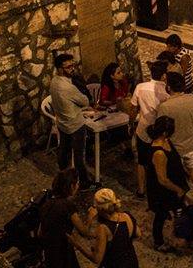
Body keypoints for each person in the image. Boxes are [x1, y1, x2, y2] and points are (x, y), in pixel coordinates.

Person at [156, 72, 193, 207]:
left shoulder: (165, 106)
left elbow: (161, 126)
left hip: (174, 147)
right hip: (190, 143)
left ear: (169, 87)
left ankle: (184, 202)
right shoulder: (192, 99)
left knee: (176, 177)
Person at [145, 116, 193, 252]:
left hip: (173, 186)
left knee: (182, 210)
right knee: (161, 215)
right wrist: (178, 189)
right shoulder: (158, 153)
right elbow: (162, 179)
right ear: (165, 132)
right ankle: (159, 242)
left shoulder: (166, 141)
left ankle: (188, 236)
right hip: (164, 190)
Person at [49, 53, 95, 189]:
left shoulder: (54, 81)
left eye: (73, 65)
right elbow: (85, 101)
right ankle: (84, 183)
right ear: (60, 69)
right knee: (79, 156)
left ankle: (64, 178)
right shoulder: (68, 87)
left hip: (62, 123)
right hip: (75, 125)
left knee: (64, 152)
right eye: (68, 67)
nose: (72, 69)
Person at [69, 188, 139, 268]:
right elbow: (138, 234)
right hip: (131, 262)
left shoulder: (104, 228)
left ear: (100, 209)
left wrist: (76, 244)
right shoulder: (127, 216)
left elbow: (96, 259)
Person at [38, 168, 94, 268]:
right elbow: (84, 232)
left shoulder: (46, 204)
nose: (78, 186)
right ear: (72, 186)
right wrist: (90, 216)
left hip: (49, 254)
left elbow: (40, 233)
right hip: (63, 253)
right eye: (77, 183)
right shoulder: (67, 205)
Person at [130, 60, 169, 198]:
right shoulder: (166, 93)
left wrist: (130, 123)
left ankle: (141, 189)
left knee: (141, 161)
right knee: (158, 161)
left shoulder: (140, 87)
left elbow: (133, 108)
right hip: (159, 132)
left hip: (143, 128)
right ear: (164, 75)